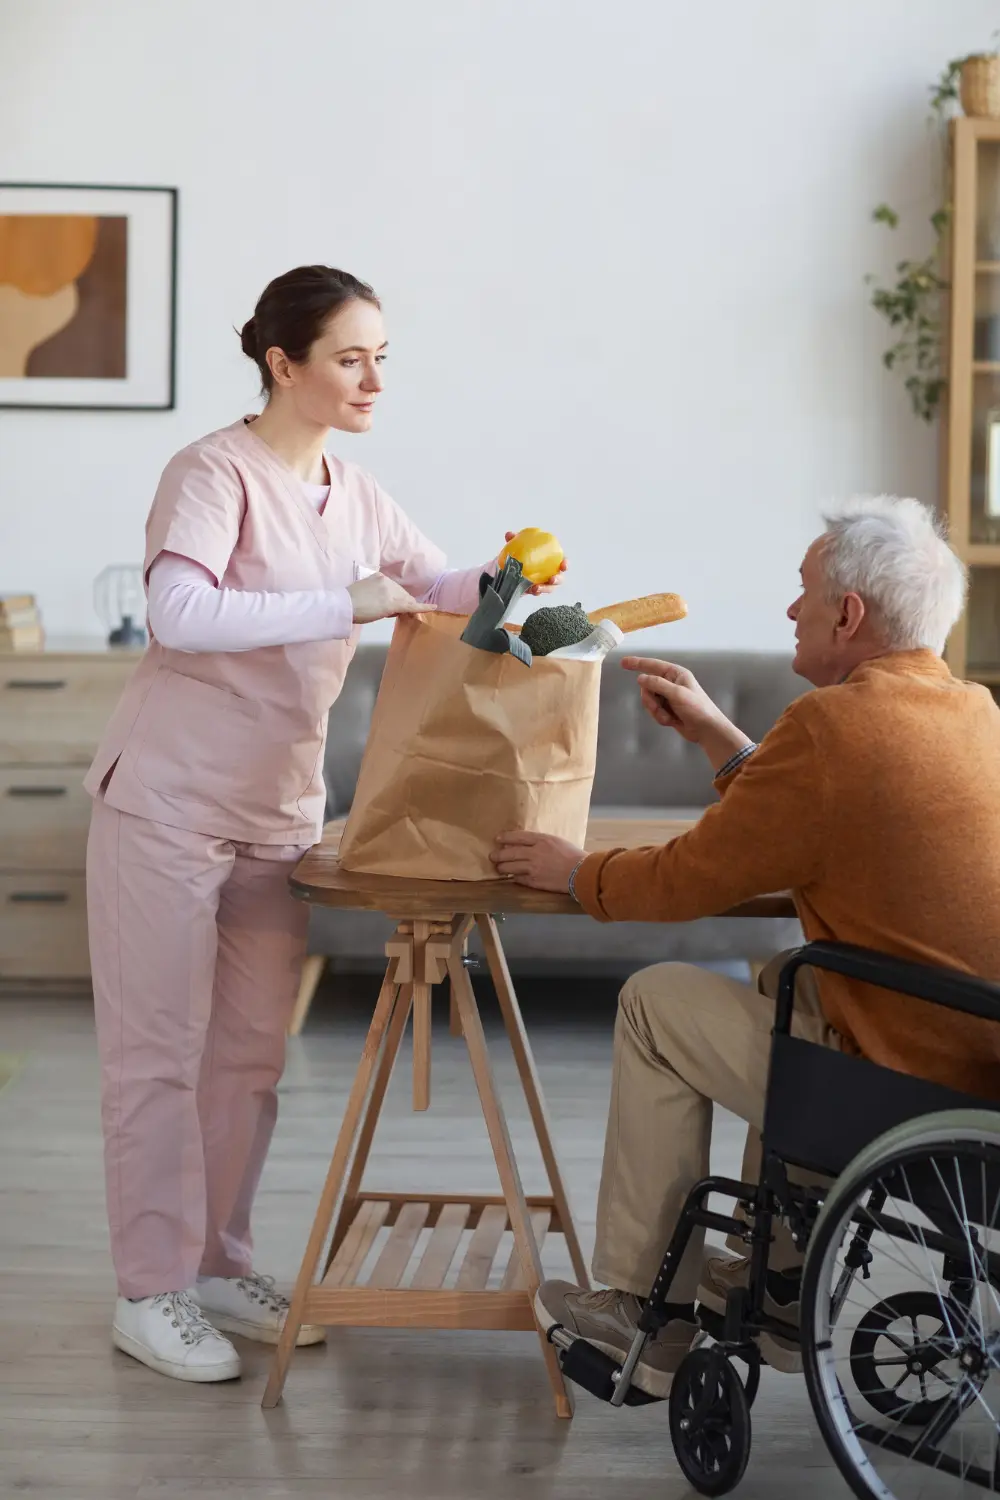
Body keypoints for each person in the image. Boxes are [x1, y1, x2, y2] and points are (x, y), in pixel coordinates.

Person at [85, 264, 565, 1384]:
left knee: (249, 1059)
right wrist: (346, 602)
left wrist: (502, 580)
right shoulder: (211, 473)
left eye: (382, 357)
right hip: (164, 801)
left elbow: (433, 581)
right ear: (282, 363)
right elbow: (180, 611)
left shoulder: (351, 492)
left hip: (276, 814)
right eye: (351, 357)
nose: (372, 378)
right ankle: (148, 1292)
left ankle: (214, 1263)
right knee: (158, 1057)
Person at [492, 495, 1000, 1398]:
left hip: (899, 1094)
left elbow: (687, 880)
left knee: (656, 1003)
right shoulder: (975, 714)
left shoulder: (834, 728)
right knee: (786, 983)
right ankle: (778, 1280)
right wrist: (723, 740)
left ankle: (643, 1322)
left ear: (849, 613)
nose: (791, 610)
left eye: (803, 592)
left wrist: (577, 872)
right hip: (973, 1071)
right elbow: (818, 816)